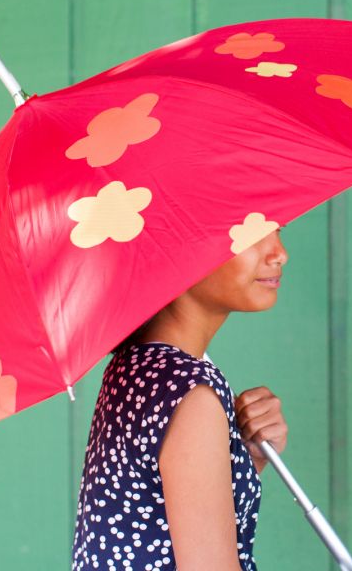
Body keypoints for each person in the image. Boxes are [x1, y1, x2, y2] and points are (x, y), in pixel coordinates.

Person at [70, 225, 290, 571]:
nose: (280, 253)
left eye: (279, 231)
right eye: (253, 233)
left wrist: (247, 458)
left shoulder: (141, 366)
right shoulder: (187, 392)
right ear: (181, 247)